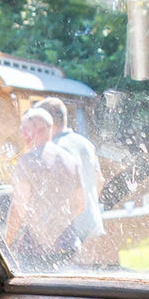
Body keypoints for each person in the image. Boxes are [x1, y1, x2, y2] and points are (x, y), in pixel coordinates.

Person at [4, 107, 84, 268]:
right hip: (68, 244)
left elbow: (19, 208)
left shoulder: (26, 161)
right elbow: (81, 203)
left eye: (24, 129)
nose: (22, 135)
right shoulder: (70, 160)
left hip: (36, 250)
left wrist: (5, 243)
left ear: (37, 129)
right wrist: (59, 224)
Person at [35, 97, 104, 252]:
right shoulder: (85, 143)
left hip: (68, 232)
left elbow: (58, 194)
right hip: (93, 223)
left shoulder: (53, 150)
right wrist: (90, 207)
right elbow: (99, 179)